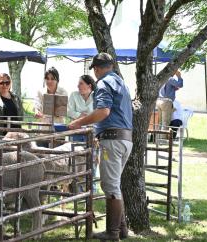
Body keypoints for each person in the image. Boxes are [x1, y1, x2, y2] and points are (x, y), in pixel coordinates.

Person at [68, 53, 133, 241]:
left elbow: (103, 111)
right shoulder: (121, 83)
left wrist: (79, 122)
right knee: (114, 184)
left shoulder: (104, 84)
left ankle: (112, 233)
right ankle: (122, 229)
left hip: (112, 139)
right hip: (125, 138)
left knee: (110, 185)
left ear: (96, 68)